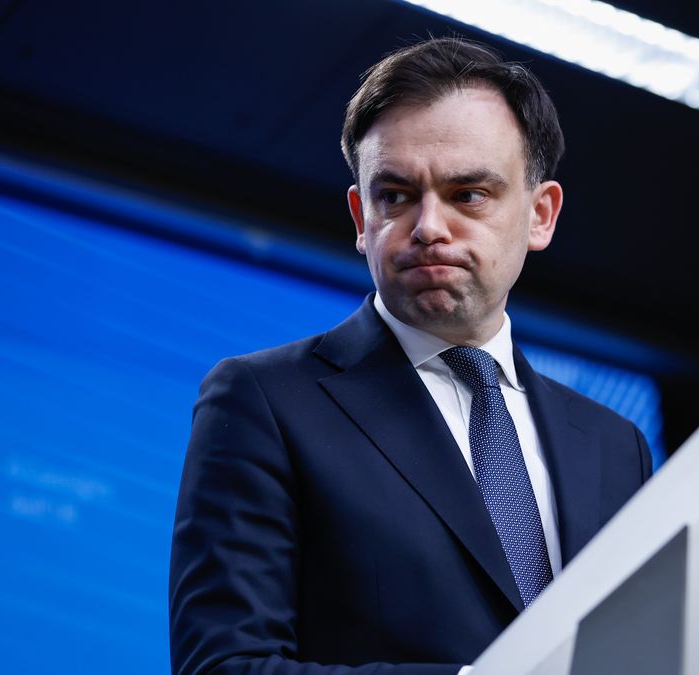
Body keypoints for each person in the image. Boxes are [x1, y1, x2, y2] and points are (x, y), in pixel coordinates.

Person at [169, 37, 653, 675]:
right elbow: (225, 667)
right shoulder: (264, 401)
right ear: (360, 217)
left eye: (468, 194)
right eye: (394, 195)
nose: (428, 226)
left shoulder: (615, 446)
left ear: (541, 214)